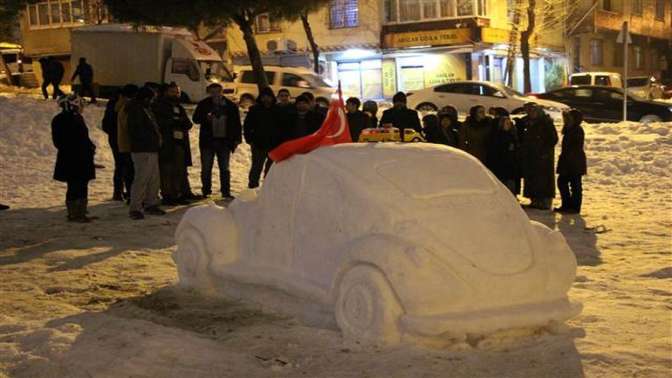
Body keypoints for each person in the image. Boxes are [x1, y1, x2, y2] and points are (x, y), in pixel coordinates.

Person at [51, 94, 96, 222]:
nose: (81, 108)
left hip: (82, 157)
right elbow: (59, 141)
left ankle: (81, 211)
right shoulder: (61, 119)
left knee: (82, 184)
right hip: (72, 158)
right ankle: (74, 213)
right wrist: (80, 148)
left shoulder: (77, 118)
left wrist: (90, 147)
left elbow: (83, 136)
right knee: (74, 185)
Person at [193, 83, 242, 199]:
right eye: (212, 92)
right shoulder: (204, 104)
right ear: (209, 93)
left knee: (224, 167)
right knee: (206, 167)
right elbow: (195, 119)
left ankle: (225, 191)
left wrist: (236, 139)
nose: (215, 95)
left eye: (217, 92)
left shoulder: (230, 106)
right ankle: (206, 190)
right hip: (208, 141)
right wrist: (206, 117)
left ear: (222, 92)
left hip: (224, 141)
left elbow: (236, 124)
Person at [126, 86, 165, 219]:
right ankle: (135, 207)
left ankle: (151, 202)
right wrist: (150, 140)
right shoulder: (135, 110)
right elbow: (136, 130)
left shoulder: (145, 109)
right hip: (143, 149)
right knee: (141, 179)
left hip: (151, 149)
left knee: (154, 178)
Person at [152, 82, 193, 205]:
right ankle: (168, 195)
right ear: (166, 92)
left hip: (179, 143)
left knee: (179, 170)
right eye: (173, 92)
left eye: (177, 92)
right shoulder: (159, 106)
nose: (176, 95)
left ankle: (178, 193)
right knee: (167, 170)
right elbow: (160, 123)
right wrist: (173, 122)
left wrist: (179, 121)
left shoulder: (179, 107)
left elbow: (188, 123)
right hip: (166, 143)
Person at [517, 103, 558, 210]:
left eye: (533, 111)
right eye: (529, 111)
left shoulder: (545, 122)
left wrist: (544, 151)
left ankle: (544, 201)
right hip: (531, 155)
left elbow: (553, 139)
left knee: (543, 179)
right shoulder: (526, 122)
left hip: (543, 156)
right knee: (532, 177)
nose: (531, 113)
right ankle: (534, 200)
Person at [244, 87, 280, 188]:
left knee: (271, 168)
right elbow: (247, 126)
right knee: (256, 167)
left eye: (269, 97)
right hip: (258, 144)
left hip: (274, 144)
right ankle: (252, 187)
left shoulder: (277, 110)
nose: (266, 99)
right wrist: (250, 140)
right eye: (264, 97)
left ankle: (267, 188)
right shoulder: (255, 110)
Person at [555, 109, 586, 214]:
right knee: (563, 182)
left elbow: (574, 148)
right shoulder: (570, 129)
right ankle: (567, 204)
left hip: (574, 162)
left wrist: (568, 161)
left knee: (575, 185)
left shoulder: (576, 130)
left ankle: (574, 207)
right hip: (569, 161)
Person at [115, 84, 139, 202]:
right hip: (129, 144)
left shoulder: (120, 105)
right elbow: (129, 127)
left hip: (124, 143)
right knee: (130, 171)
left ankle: (127, 193)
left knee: (126, 169)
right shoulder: (127, 107)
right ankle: (130, 194)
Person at [488, 116, 520, 194]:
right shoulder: (496, 136)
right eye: (506, 123)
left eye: (509, 123)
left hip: (511, 164)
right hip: (500, 163)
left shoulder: (513, 135)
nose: (508, 125)